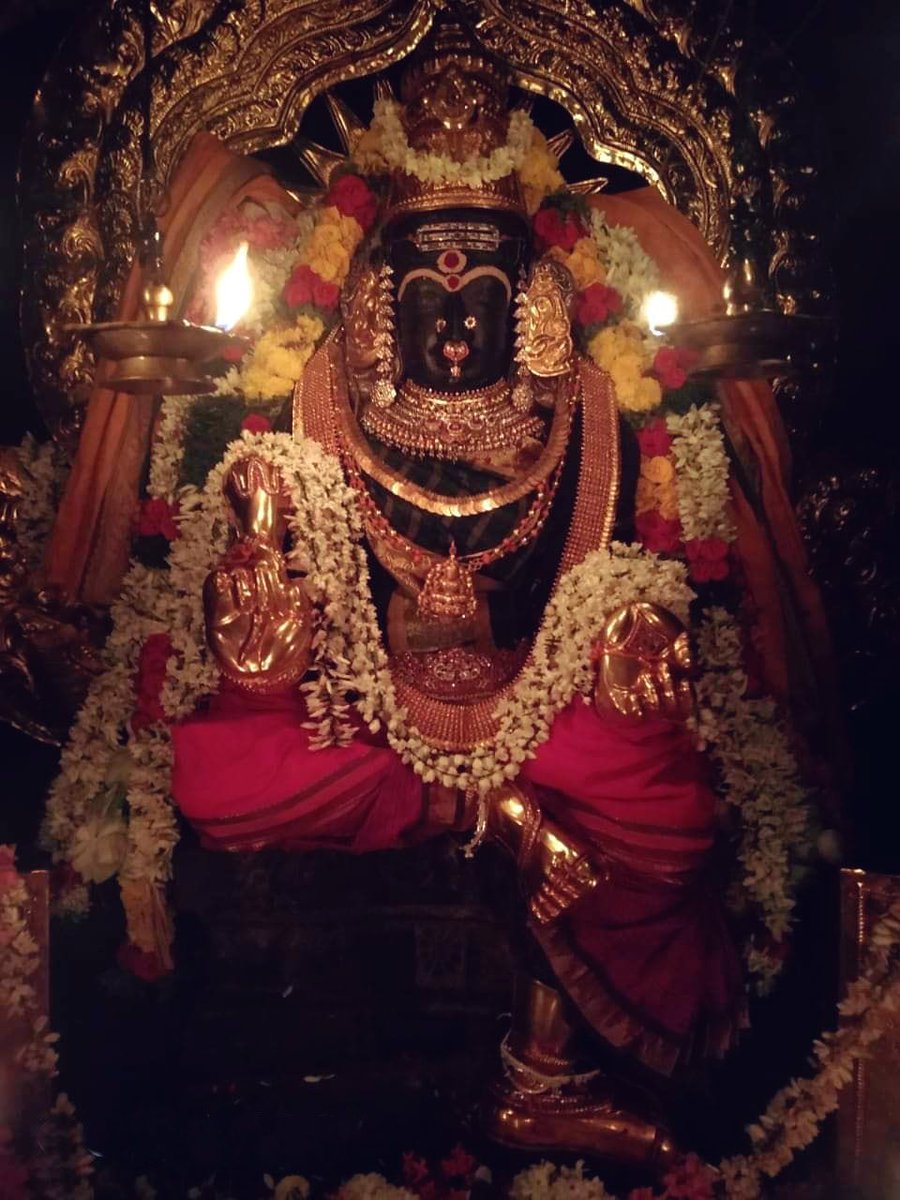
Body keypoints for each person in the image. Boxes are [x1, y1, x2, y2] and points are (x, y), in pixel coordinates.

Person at [169, 23, 746, 1170]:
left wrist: (635, 625)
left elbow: (640, 562)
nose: (455, 321)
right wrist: (264, 606)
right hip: (364, 725)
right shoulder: (310, 395)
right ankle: (493, 827)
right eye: (424, 292)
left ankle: (545, 1080)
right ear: (372, 302)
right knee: (222, 783)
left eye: (486, 287)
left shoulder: (593, 410)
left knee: (674, 822)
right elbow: (257, 498)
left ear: (535, 303)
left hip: (542, 711)